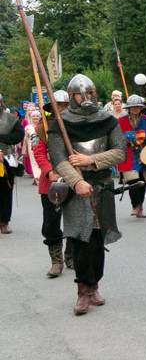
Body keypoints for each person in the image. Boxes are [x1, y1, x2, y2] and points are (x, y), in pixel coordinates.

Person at [48, 74, 126, 315]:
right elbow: (59, 159)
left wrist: (90, 160)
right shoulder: (60, 123)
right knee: (80, 240)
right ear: (72, 97)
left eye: (90, 93)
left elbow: (119, 152)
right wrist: (76, 181)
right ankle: (82, 291)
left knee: (97, 240)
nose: (87, 97)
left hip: (101, 186)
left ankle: (94, 287)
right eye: (82, 94)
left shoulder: (107, 120)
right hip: (76, 189)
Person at [34, 91, 70, 276]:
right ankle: (56, 260)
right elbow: (39, 153)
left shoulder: (76, 125)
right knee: (51, 224)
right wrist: (49, 171)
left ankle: (71, 253)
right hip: (51, 182)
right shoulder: (43, 127)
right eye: (59, 106)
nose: (62, 109)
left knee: (76, 219)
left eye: (65, 106)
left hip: (73, 179)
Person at [0, 94, 25, 235]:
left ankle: (4, 221)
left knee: (5, 190)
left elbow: (19, 136)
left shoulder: (11, 119)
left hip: (5, 158)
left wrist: (2, 138)